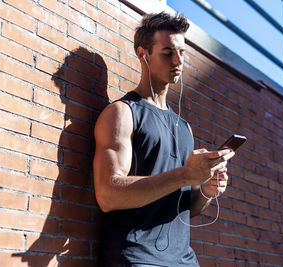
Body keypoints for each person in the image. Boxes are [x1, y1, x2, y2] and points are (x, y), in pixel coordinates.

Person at [93, 12, 235, 266]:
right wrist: (186, 175)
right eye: (167, 52)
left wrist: (205, 189)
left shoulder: (184, 127)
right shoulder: (123, 113)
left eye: (181, 52)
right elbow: (107, 195)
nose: (178, 60)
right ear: (142, 54)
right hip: (136, 258)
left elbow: (187, 209)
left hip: (183, 260)